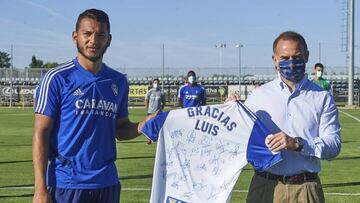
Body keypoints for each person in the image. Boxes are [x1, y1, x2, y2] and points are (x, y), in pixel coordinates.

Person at [32, 9, 152, 203]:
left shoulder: (118, 81)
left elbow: (120, 129)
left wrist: (143, 125)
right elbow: (40, 133)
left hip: (107, 183)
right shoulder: (56, 78)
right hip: (66, 184)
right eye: (87, 34)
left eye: (100, 35)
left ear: (109, 39)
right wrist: (40, 190)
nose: (93, 40)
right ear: (75, 37)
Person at [229, 31, 341, 203]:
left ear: (307, 56)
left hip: (306, 189)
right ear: (275, 60)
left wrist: (298, 143)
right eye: (284, 57)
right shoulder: (258, 96)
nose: (290, 63)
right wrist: (231, 111)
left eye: (296, 57)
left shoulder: (322, 97)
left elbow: (333, 146)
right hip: (265, 186)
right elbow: (236, 137)